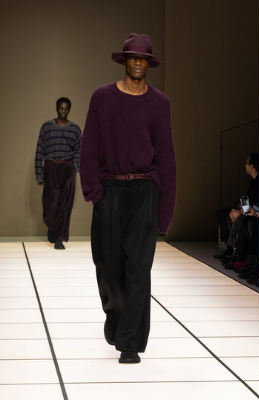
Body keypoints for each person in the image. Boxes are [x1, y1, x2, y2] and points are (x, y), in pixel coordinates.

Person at [80, 33, 176, 364]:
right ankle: (117, 317)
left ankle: (129, 343)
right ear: (124, 61)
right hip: (110, 191)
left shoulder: (160, 103)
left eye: (143, 59)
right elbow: (89, 146)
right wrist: (94, 191)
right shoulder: (102, 98)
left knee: (138, 268)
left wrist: (165, 211)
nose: (137, 63)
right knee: (107, 267)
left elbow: (167, 157)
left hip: (145, 191)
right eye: (133, 57)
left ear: (149, 64)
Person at [35, 97, 81, 250]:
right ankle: (52, 227)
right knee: (51, 204)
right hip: (50, 168)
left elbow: (79, 150)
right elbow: (39, 150)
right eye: (61, 108)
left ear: (69, 109)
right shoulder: (47, 127)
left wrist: (74, 167)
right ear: (56, 108)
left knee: (65, 205)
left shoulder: (75, 129)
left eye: (66, 109)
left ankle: (59, 239)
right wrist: (39, 174)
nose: (63, 111)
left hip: (67, 168)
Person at [214, 152, 259, 260]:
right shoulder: (254, 181)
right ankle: (231, 249)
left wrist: (240, 211)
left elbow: (255, 202)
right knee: (223, 215)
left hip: (253, 211)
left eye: (246, 163)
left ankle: (237, 253)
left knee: (239, 219)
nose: (245, 165)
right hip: (249, 209)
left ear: (252, 166)